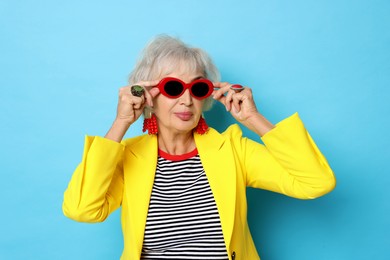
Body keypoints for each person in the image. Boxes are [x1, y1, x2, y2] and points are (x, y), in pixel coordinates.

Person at [62, 35, 336, 260]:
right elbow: (82, 209)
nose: (187, 99)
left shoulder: (231, 149)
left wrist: (254, 119)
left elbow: (315, 182)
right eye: (172, 87)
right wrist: (121, 121)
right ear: (147, 96)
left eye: (198, 88)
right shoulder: (129, 157)